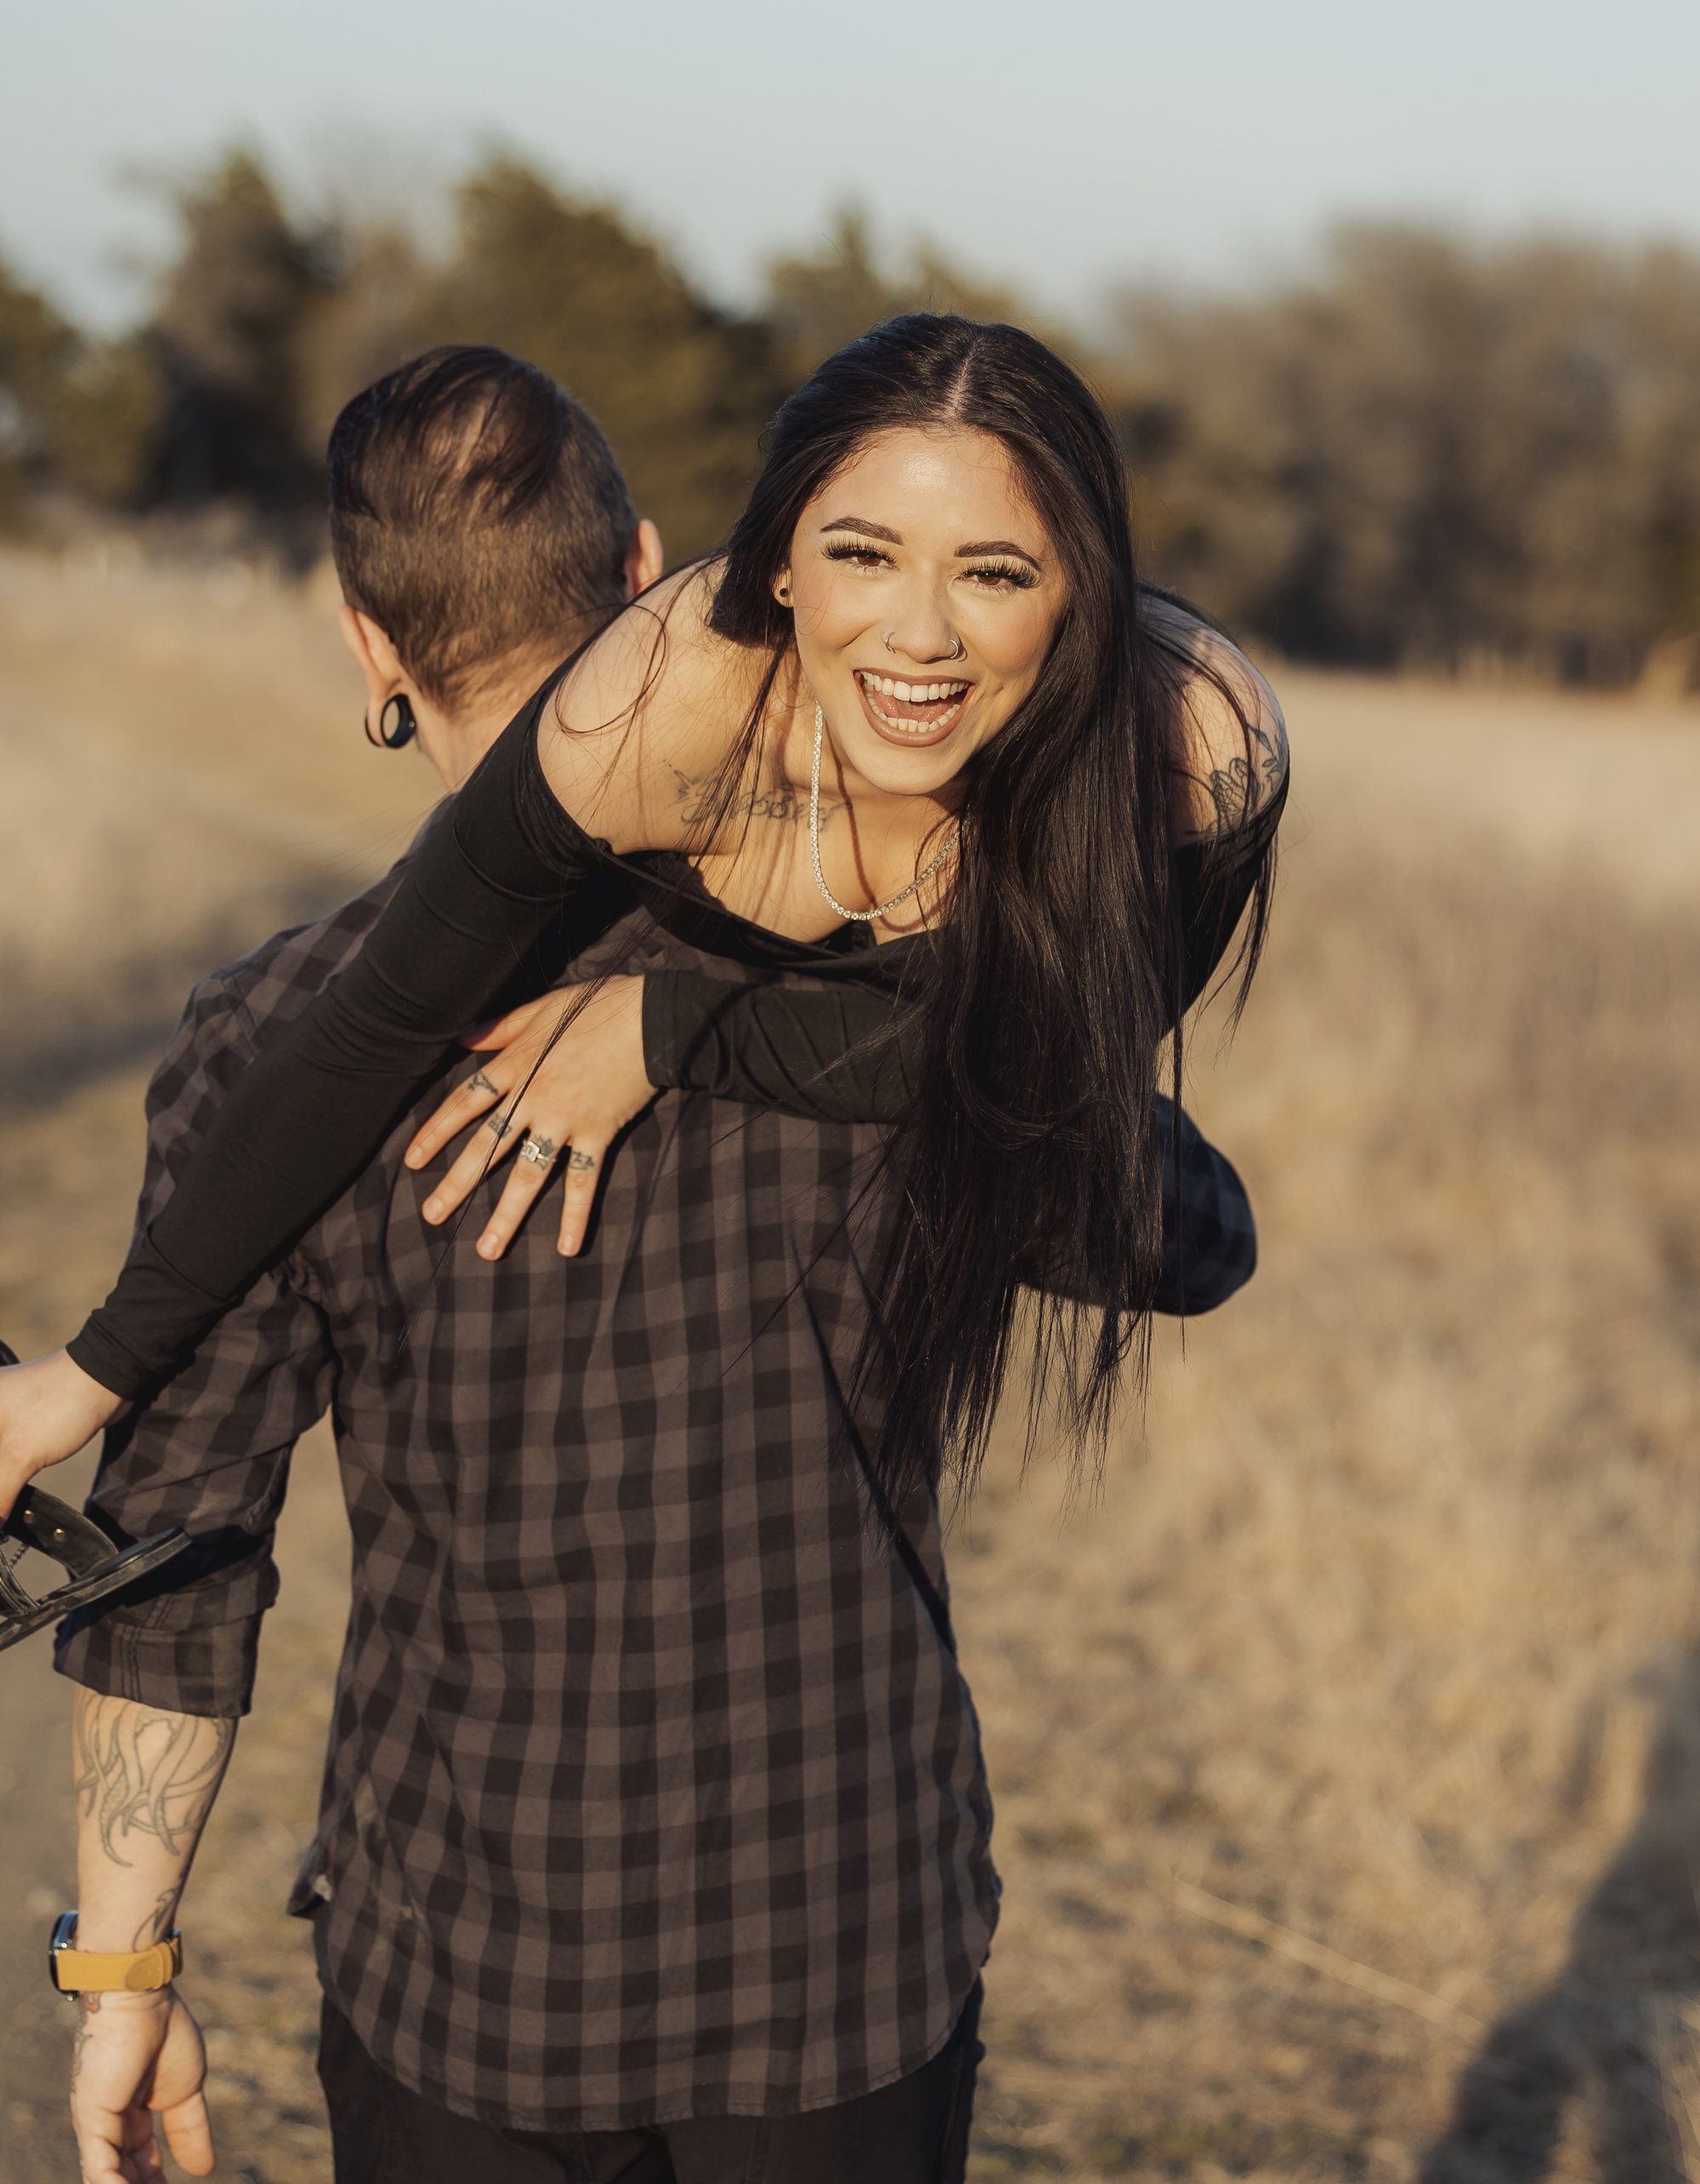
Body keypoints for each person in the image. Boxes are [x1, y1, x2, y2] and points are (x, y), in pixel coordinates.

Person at [43, 334, 1267, 2184]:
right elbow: (1182, 1232)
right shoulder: (904, 979)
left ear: (367, 649)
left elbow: (175, 1561)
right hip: (844, 1958)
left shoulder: (269, 1041)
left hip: (459, 1975)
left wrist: (120, 1972)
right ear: (655, 576)